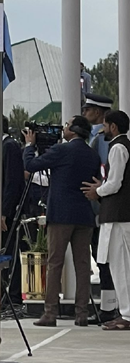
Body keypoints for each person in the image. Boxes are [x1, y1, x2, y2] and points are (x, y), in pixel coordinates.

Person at [23, 115, 100, 327]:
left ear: (73, 131)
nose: (63, 128)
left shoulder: (61, 150)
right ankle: (81, 313)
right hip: (84, 215)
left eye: (66, 125)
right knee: (83, 265)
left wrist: (30, 145)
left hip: (61, 215)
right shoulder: (92, 155)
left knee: (55, 263)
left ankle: (50, 313)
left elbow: (31, 165)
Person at [82, 109, 130, 331]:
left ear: (114, 127)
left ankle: (127, 315)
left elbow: (115, 183)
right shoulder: (120, 146)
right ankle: (124, 312)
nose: (102, 130)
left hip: (119, 216)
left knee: (121, 267)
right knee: (118, 265)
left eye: (105, 125)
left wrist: (97, 191)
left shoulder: (119, 148)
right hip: (118, 215)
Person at [0, 114, 26, 311]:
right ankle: (2, 294)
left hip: (7, 212)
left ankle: (14, 296)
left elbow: (12, 182)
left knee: (9, 252)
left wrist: (4, 212)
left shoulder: (9, 146)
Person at [83, 92, 118, 322]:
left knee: (108, 261)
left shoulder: (105, 140)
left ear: (98, 112)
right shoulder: (95, 136)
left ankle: (111, 309)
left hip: (103, 205)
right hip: (97, 207)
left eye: (88, 109)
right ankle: (108, 308)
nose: (85, 114)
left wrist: (100, 189)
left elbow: (107, 170)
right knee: (102, 258)